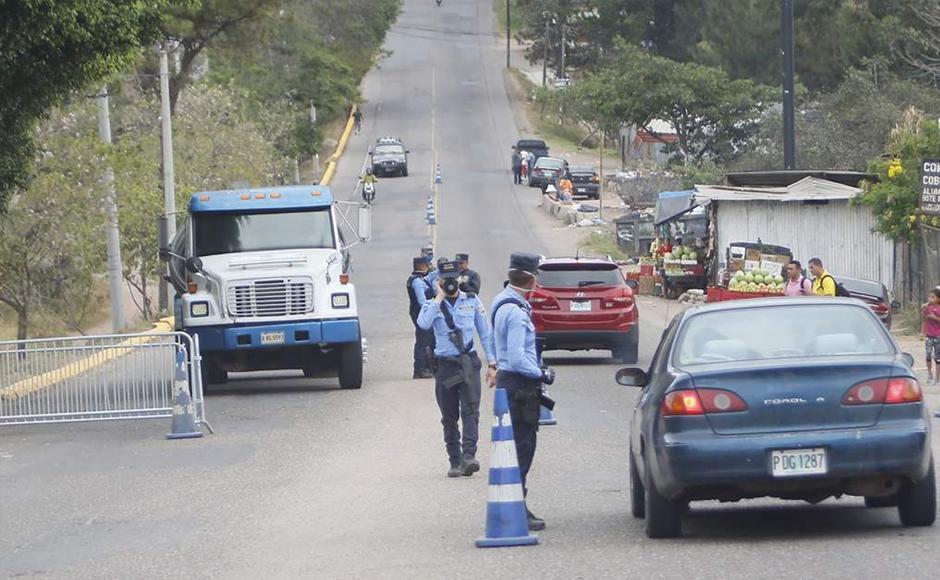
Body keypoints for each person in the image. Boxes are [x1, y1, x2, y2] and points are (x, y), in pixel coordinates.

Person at [485, 252, 555, 532]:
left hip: (509, 382)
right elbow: (516, 357)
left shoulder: (502, 300)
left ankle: (516, 504)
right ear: (532, 278)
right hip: (518, 386)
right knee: (522, 449)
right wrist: (541, 373)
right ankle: (517, 507)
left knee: (515, 449)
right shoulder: (515, 311)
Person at [417, 261, 496, 478]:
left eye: (453, 279)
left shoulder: (471, 300)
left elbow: (485, 333)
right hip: (445, 366)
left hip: (468, 363)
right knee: (449, 416)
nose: (450, 284)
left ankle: (469, 456)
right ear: (439, 281)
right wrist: (439, 297)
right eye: (445, 280)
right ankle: (455, 460)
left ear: (459, 279)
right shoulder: (432, 304)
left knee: (471, 410)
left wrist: (492, 364)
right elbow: (423, 324)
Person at [407, 256, 436, 379]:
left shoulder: (419, 278)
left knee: (429, 339)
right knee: (423, 341)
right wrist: (433, 308)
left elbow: (431, 276)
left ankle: (429, 367)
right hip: (421, 314)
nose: (430, 265)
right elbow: (422, 301)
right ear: (422, 266)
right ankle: (420, 369)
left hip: (420, 313)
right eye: (428, 263)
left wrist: (443, 268)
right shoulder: (417, 282)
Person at [923, 289, 940, 385]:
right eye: (929, 297)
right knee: (928, 355)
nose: (930, 299)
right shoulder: (927, 308)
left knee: (938, 357)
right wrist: (922, 332)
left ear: (938, 299)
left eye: (933, 297)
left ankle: (938, 378)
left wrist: (935, 318)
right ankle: (930, 374)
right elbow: (924, 320)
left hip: (938, 335)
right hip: (928, 335)